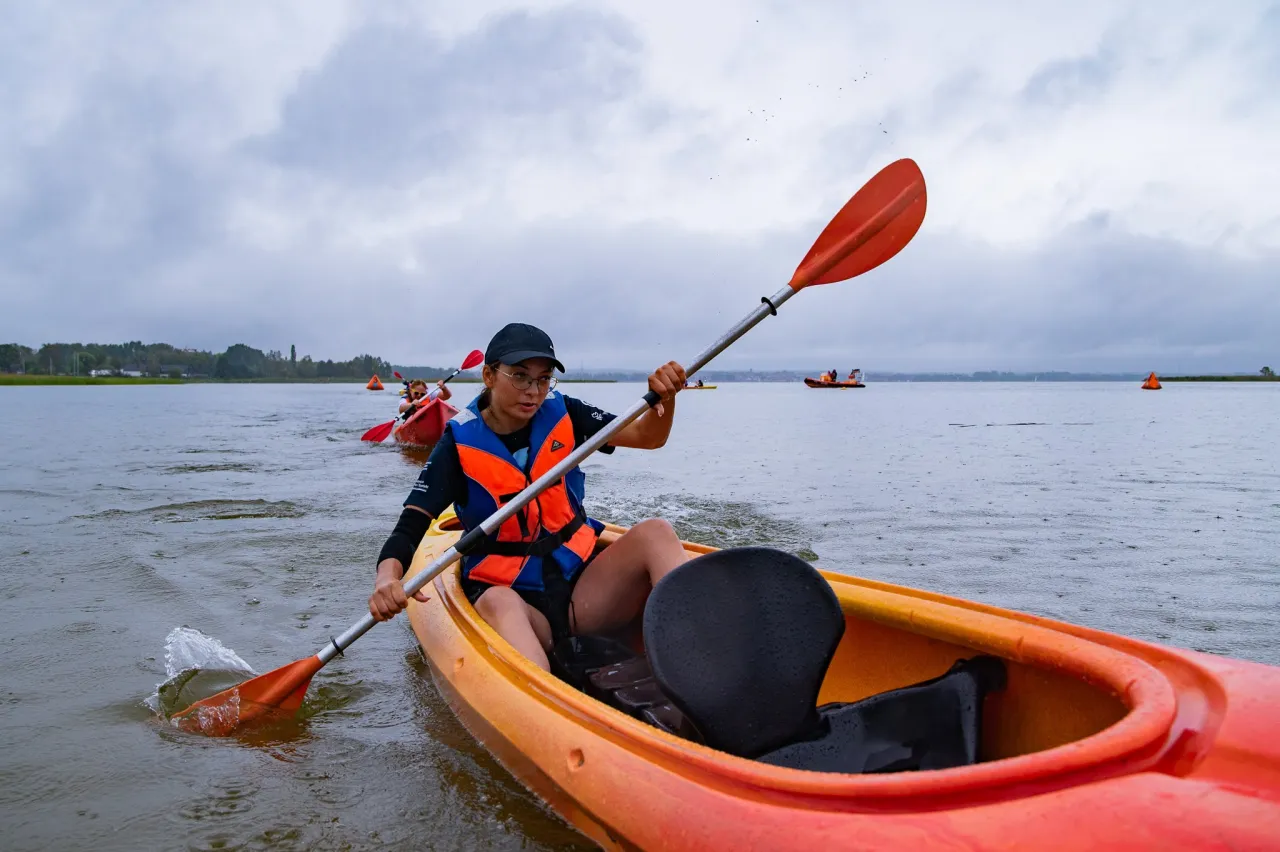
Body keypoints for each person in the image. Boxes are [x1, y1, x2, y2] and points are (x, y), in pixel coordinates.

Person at [368, 323, 690, 671]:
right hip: (517, 604)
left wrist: (665, 399)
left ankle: (699, 653)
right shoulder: (456, 446)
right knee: (499, 602)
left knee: (656, 532)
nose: (533, 391)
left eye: (543, 378)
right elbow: (410, 526)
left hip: (580, 593)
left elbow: (648, 436)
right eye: (520, 376)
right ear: (489, 376)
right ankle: (549, 697)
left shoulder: (565, 411)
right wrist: (387, 579)